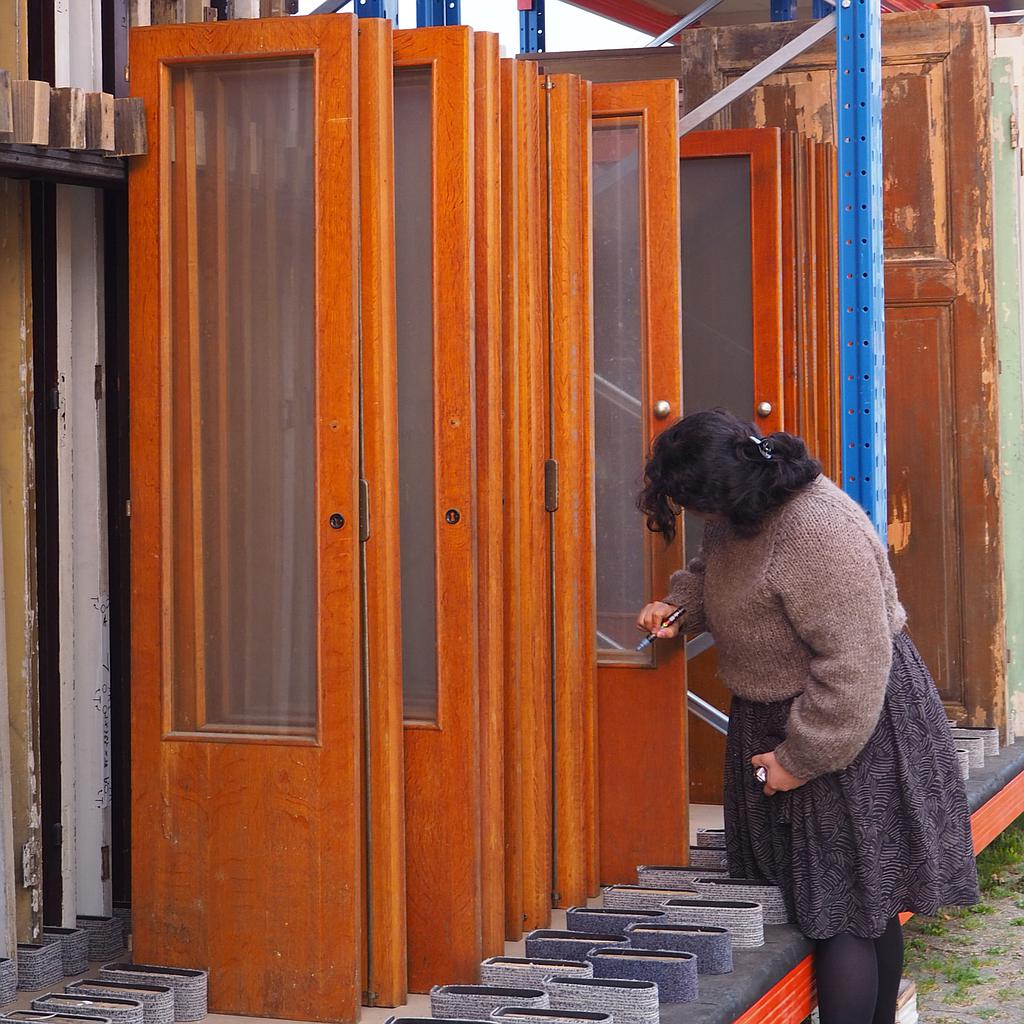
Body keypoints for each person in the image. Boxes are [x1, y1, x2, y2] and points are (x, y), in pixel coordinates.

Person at [635, 408, 979, 1024]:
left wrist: (800, 760)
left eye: (698, 509)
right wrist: (680, 606)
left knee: (845, 911)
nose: (699, 522)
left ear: (726, 490)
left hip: (849, 723)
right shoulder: (743, 507)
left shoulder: (817, 531)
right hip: (794, 712)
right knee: (856, 902)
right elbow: (717, 572)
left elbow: (854, 664)